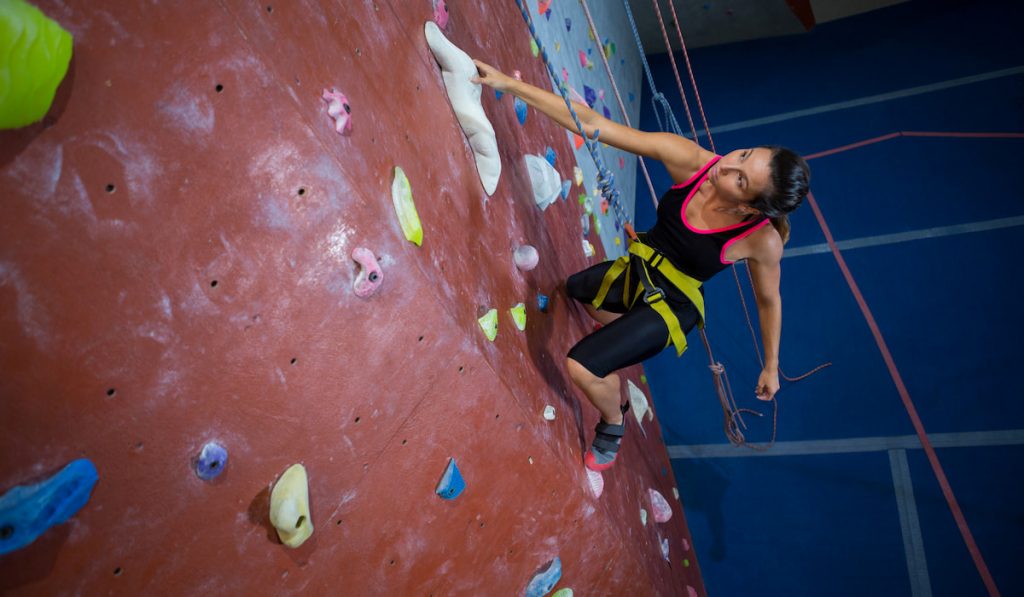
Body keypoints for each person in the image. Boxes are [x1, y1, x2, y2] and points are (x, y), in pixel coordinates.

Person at [471, 60, 809, 471]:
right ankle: (618, 343)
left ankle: (613, 418)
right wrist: (507, 83)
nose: (727, 165)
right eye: (744, 154)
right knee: (576, 289)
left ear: (751, 206)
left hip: (672, 307)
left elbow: (769, 301)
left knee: (582, 365)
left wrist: (771, 367)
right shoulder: (691, 161)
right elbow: (593, 123)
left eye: (740, 180)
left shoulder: (761, 240)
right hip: (641, 272)